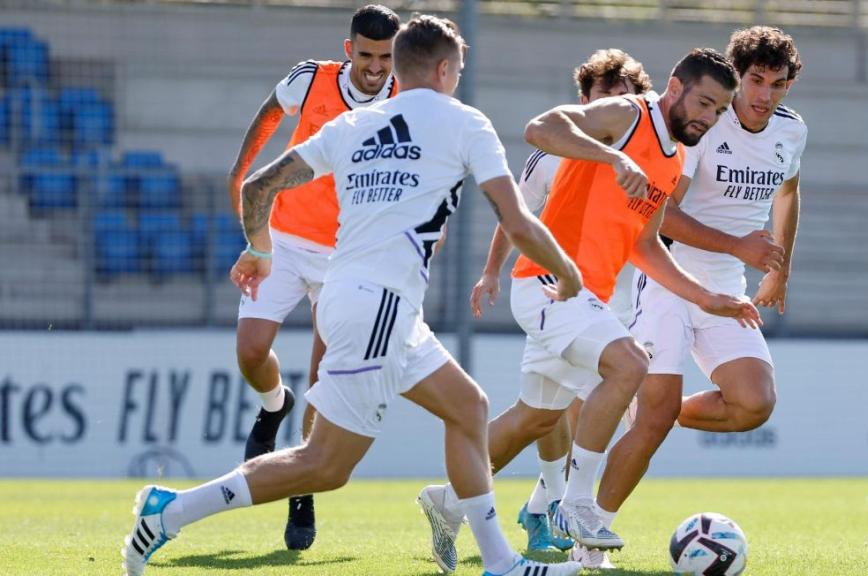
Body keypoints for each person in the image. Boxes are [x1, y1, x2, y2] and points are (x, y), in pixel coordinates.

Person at [122, 15, 585, 576]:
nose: (458, 79)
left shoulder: (355, 123)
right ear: (444, 70)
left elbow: (258, 185)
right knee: (325, 466)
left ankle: (499, 562)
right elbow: (516, 220)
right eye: (458, 70)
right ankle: (169, 511)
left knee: (469, 408)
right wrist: (567, 271)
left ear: (400, 67)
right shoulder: (465, 122)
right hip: (379, 307)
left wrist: (260, 248)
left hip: (361, 299)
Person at [418, 48, 760, 573]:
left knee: (535, 417)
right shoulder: (628, 113)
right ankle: (576, 504)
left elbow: (644, 245)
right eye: (704, 103)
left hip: (584, 297)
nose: (708, 118)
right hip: (549, 284)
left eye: (718, 111)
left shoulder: (672, 159)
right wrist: (613, 157)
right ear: (675, 87)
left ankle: (446, 499)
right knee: (630, 363)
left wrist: (706, 297)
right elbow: (539, 128)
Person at [597, 26, 807, 535]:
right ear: (737, 77)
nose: (765, 95)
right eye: (756, 80)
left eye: (778, 84)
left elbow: (788, 193)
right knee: (654, 422)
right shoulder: (704, 125)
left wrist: (779, 269)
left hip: (727, 285)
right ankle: (591, 537)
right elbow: (660, 216)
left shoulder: (792, 130)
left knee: (754, 403)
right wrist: (738, 245)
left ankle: (651, 407)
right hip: (668, 279)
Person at [225, 4, 400, 551]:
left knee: (324, 381)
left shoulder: (406, 99)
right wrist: (241, 171)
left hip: (348, 255)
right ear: (349, 50)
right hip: (283, 238)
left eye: (385, 57)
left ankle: (301, 494)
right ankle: (274, 405)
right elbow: (270, 113)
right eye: (366, 55)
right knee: (251, 351)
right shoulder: (312, 77)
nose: (375, 67)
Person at [469, 48, 651, 568]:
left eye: (624, 96)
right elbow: (516, 215)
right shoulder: (552, 153)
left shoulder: (644, 156)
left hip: (616, 299)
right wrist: (491, 272)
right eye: (603, 95)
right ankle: (569, 518)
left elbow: (649, 232)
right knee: (584, 404)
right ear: (584, 99)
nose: (613, 104)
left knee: (542, 414)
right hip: (560, 295)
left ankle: (469, 500)